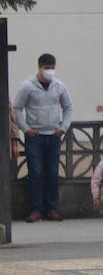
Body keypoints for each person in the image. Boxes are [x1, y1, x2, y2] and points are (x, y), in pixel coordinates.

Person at [13, 53, 73, 222]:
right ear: (39, 68)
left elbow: (68, 106)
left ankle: (50, 208)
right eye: (47, 68)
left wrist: (63, 127)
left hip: (53, 135)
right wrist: (25, 128)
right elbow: (18, 108)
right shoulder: (27, 86)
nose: (50, 71)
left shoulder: (59, 86)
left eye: (52, 68)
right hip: (35, 135)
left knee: (52, 172)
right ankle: (36, 209)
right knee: (36, 173)